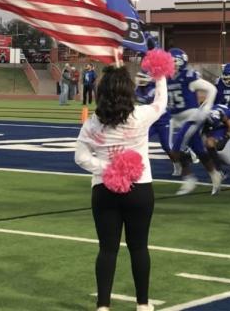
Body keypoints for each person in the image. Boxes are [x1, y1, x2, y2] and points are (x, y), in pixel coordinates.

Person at [75, 65, 167, 311]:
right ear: (129, 91)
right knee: (139, 247)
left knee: (107, 249)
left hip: (104, 191)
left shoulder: (93, 124)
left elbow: (80, 157)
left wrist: (106, 169)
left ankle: (103, 306)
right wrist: (159, 74)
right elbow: (161, 102)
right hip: (139, 190)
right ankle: (143, 304)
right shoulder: (140, 116)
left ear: (100, 93)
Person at [166, 48, 222, 195]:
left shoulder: (188, 76)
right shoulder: (166, 77)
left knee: (176, 149)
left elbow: (212, 89)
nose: (170, 65)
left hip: (191, 117)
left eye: (173, 62)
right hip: (175, 119)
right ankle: (215, 175)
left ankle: (189, 179)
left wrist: (205, 109)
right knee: (199, 150)